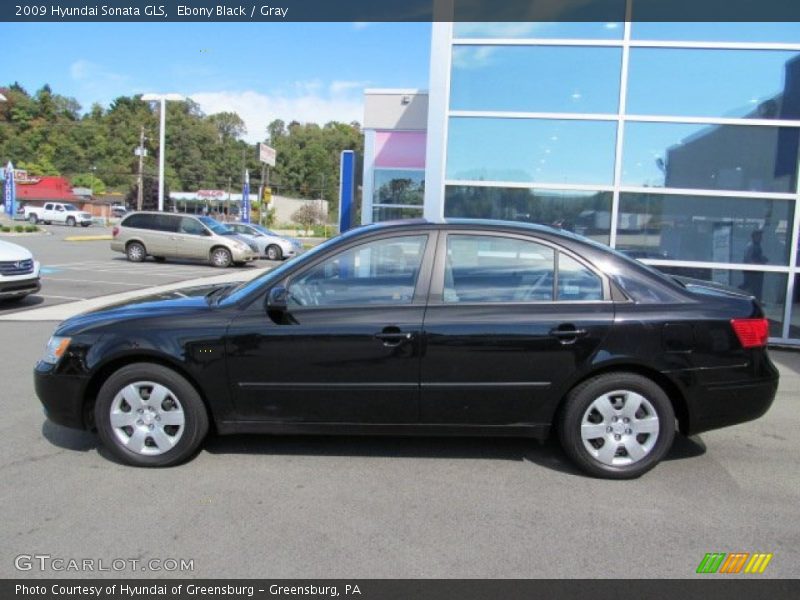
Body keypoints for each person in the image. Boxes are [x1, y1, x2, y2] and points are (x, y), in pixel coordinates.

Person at [740, 229, 768, 299]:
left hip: (756, 271)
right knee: (750, 286)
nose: (761, 238)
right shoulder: (751, 246)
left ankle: (756, 300)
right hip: (752, 272)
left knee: (753, 287)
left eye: (761, 236)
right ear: (754, 236)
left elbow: (756, 256)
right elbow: (748, 259)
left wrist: (762, 259)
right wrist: (759, 263)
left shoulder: (757, 246)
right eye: (759, 236)